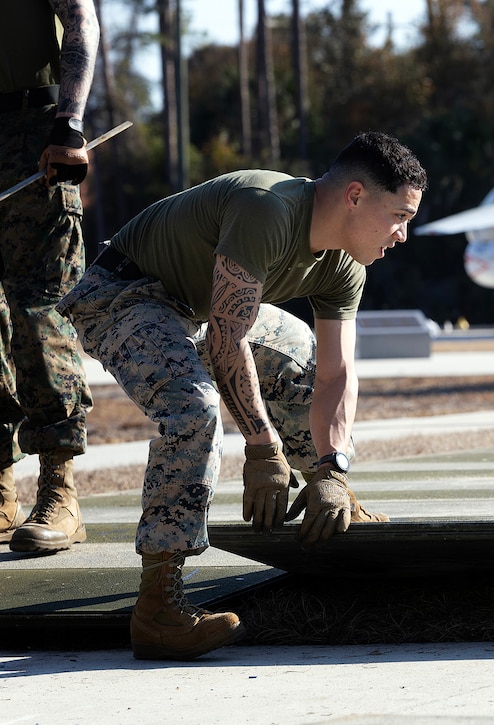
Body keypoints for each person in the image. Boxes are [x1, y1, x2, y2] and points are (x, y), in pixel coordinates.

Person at [57, 131, 428, 660]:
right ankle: (158, 609)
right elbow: (227, 340)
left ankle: (326, 496)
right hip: (123, 294)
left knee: (305, 355)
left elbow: (337, 373)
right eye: (400, 216)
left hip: (195, 309)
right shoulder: (268, 211)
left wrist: (332, 468)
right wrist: (262, 448)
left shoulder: (345, 264)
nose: (403, 235)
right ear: (354, 196)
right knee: (194, 410)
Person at [0, 0, 99, 551]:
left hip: (34, 134)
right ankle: (0, 492)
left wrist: (69, 122)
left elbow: (80, 19)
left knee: (40, 315)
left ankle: (59, 490)